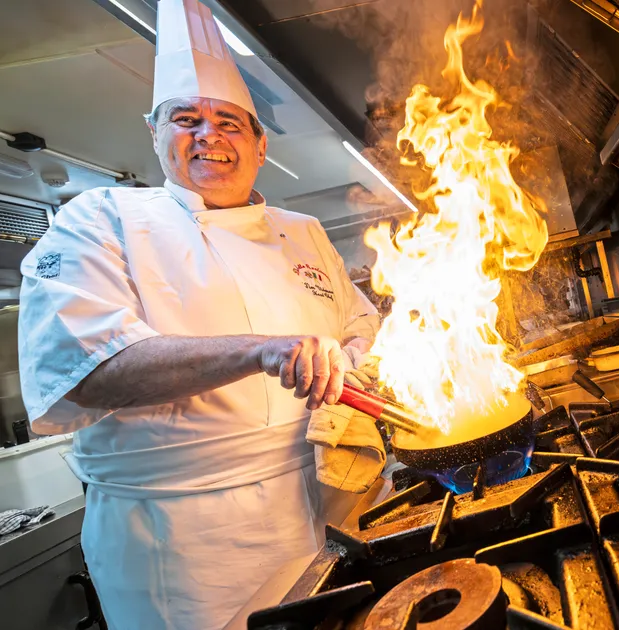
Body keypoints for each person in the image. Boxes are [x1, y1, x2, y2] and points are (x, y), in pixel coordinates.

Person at [17, 1, 382, 628]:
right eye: (185, 119)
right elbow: (83, 369)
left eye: (229, 122)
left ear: (261, 144)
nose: (208, 134)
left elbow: (359, 325)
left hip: (331, 498)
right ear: (155, 135)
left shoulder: (304, 231)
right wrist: (260, 350)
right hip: (183, 545)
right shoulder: (101, 219)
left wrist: (349, 362)